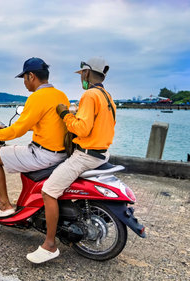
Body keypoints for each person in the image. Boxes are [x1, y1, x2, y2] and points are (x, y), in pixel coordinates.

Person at [26, 57, 116, 263]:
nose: (81, 78)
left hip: (85, 156)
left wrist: (65, 114)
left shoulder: (90, 94)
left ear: (86, 73)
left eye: (81, 74)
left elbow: (81, 129)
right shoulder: (107, 96)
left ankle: (49, 245)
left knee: (48, 191)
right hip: (102, 153)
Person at [0, 57, 70, 218]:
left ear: (31, 76)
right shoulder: (61, 95)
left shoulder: (36, 97)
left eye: (24, 78)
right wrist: (13, 129)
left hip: (44, 155)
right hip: (61, 154)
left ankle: (5, 205)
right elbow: (47, 123)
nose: (24, 82)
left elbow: (18, 131)